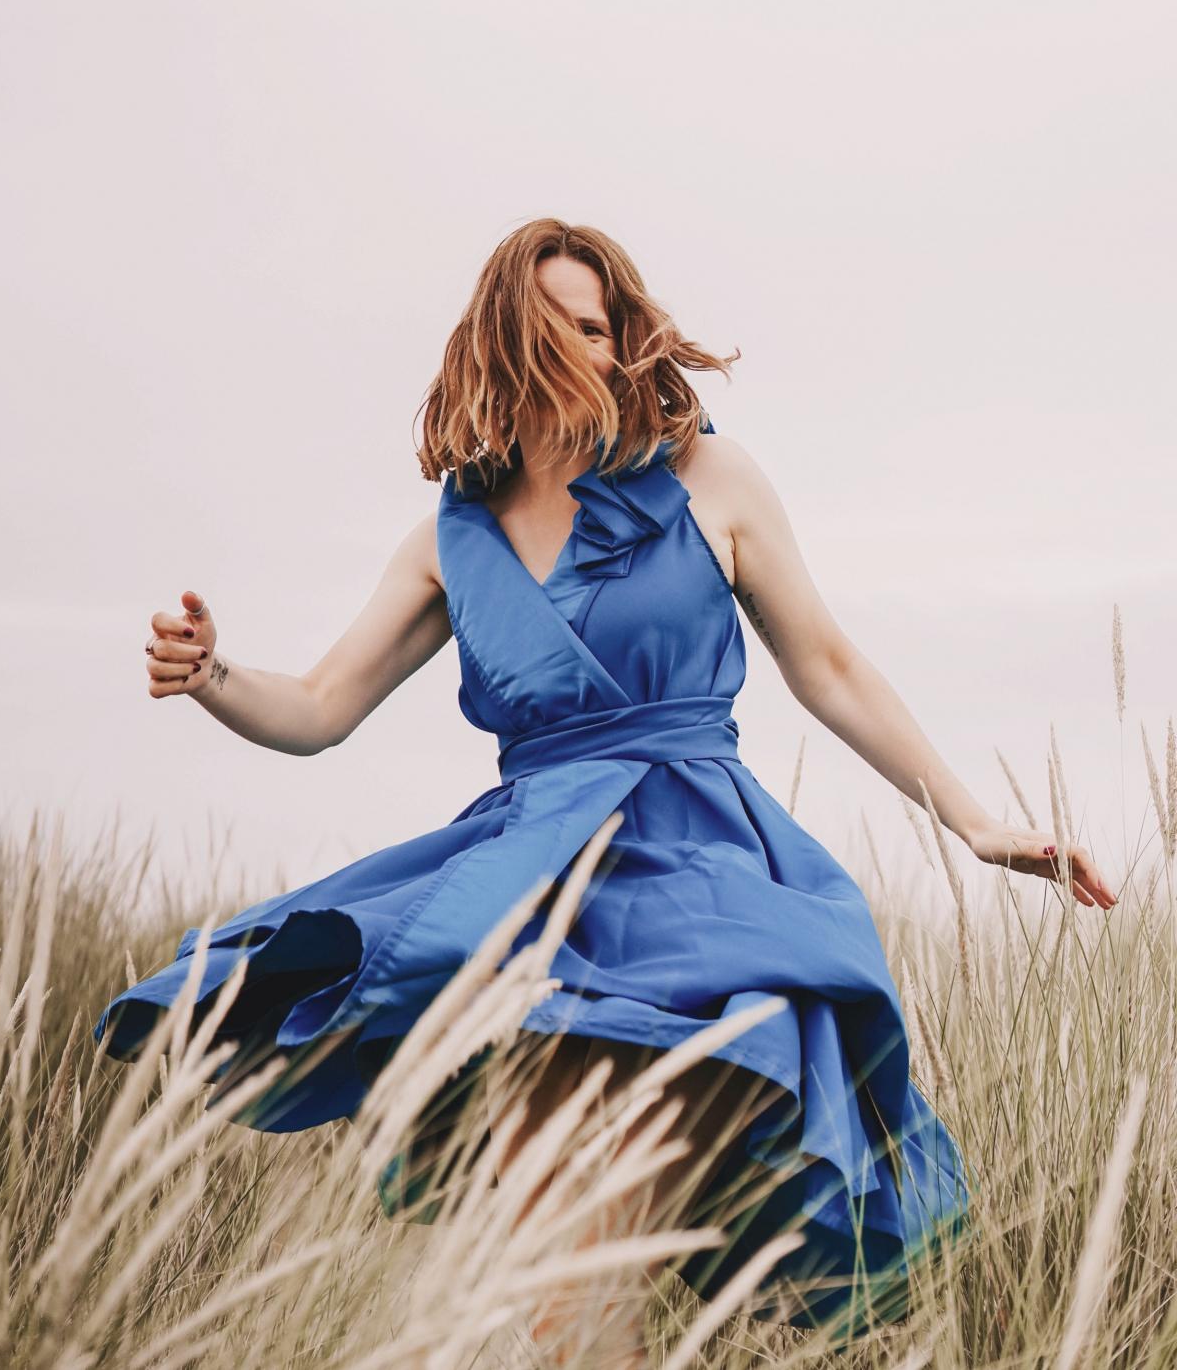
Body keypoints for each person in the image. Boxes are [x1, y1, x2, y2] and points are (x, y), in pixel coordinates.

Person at [97, 216, 1117, 1366]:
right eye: (560, 326)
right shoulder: (453, 539)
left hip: (698, 877)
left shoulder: (710, 479)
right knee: (560, 1265)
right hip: (542, 887)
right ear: (502, 341)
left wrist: (976, 822)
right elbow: (323, 706)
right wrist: (214, 675)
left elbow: (824, 663)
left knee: (664, 1228)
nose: (589, 346)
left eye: (602, 324)